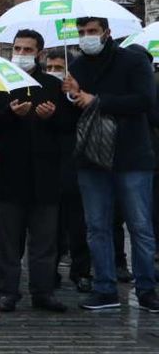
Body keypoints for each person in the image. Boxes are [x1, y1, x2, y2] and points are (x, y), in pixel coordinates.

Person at [0, 30, 76, 313]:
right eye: (17, 48)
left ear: (39, 54)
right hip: (7, 175)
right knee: (7, 241)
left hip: (45, 176)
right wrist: (9, 114)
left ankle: (43, 291)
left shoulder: (52, 84)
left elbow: (69, 124)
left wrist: (53, 116)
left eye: (27, 49)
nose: (21, 54)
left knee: (45, 240)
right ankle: (8, 291)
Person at [63, 17, 159, 312]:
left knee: (140, 226)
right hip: (92, 157)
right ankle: (104, 288)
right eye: (81, 32)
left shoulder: (133, 61)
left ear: (106, 33)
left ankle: (147, 288)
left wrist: (97, 100)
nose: (86, 37)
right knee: (97, 226)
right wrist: (71, 95)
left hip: (131, 155)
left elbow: (144, 101)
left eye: (92, 31)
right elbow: (74, 113)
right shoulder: (77, 67)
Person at [45, 50, 92, 293]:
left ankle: (81, 271)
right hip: (49, 163)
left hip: (75, 162)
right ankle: (49, 271)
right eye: (50, 67)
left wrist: (73, 96)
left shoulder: (78, 91)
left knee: (78, 223)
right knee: (51, 225)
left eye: (58, 67)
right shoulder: (44, 90)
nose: (53, 71)